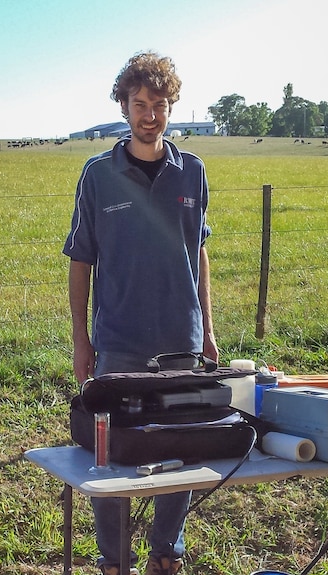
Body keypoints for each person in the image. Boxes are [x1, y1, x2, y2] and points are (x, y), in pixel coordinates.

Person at [63, 51, 218, 575]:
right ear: (124, 107)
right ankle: (114, 562)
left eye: (159, 104)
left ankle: (165, 554)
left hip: (181, 339)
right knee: (111, 457)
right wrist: (83, 341)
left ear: (171, 108)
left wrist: (209, 331)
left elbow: (198, 252)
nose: (149, 115)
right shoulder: (98, 176)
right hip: (120, 341)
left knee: (182, 450)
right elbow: (81, 259)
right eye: (139, 104)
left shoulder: (192, 172)